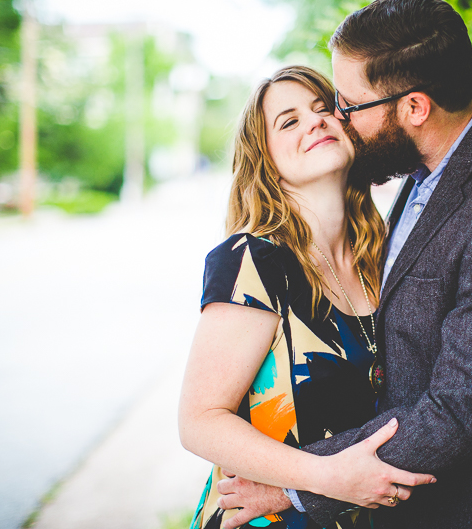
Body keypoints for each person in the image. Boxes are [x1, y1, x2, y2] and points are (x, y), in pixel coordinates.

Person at [216, 0, 472, 528]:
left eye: (349, 105)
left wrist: (296, 484)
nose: (338, 118)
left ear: (414, 108)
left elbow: (460, 409)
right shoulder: (425, 173)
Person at [178, 65, 436, 529]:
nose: (316, 121)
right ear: (265, 161)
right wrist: (326, 477)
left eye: (324, 109)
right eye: (289, 121)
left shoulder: (382, 254)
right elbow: (199, 420)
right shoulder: (252, 260)